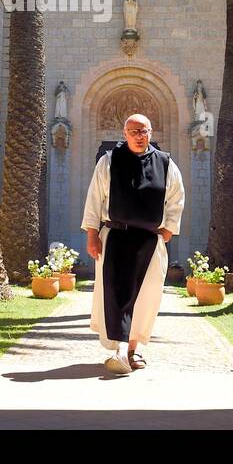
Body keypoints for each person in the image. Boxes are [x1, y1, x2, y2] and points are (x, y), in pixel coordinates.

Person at [81, 113, 185, 374]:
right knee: (114, 294)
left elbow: (176, 197)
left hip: (150, 241)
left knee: (146, 296)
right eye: (134, 131)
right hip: (115, 237)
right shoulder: (109, 161)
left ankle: (133, 349)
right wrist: (92, 234)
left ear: (151, 133)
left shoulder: (165, 163)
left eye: (144, 131)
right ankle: (118, 349)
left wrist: (169, 228)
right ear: (125, 133)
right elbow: (95, 197)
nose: (140, 136)